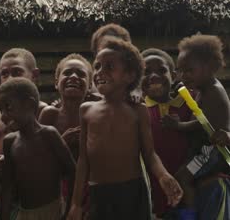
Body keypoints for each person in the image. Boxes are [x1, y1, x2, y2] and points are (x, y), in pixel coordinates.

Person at [67, 37, 183, 220]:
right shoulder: (86, 110)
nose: (99, 72)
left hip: (132, 193)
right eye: (97, 66)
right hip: (98, 193)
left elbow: (149, 154)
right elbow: (83, 160)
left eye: (109, 67)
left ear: (129, 75)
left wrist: (163, 176)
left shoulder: (137, 110)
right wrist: (75, 203)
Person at [0, 77, 75, 220]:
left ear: (29, 104)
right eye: (0, 110)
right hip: (24, 213)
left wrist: (70, 208)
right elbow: (8, 186)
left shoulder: (48, 134)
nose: (3, 116)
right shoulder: (9, 141)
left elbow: (71, 172)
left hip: (53, 211)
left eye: (8, 107)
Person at [173, 35, 230, 219]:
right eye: (180, 71)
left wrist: (178, 125)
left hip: (213, 150)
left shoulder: (214, 92)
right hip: (207, 148)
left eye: (189, 70)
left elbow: (201, 124)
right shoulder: (204, 87)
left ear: (211, 67)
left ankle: (189, 216)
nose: (184, 76)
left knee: (183, 177)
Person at [141, 48, 193, 218]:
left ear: (174, 75)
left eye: (162, 70)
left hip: (191, 189)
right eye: (146, 72)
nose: (154, 76)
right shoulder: (138, 110)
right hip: (155, 194)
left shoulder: (190, 103)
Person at [0, 48, 48, 161]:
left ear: (34, 75)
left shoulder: (44, 111)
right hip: (3, 176)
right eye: (4, 74)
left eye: (17, 72)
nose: (10, 78)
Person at [39, 53, 93, 159]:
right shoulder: (50, 115)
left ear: (90, 86)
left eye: (81, 74)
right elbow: (37, 155)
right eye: (67, 73)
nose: (73, 77)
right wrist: (62, 142)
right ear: (56, 83)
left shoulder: (94, 115)